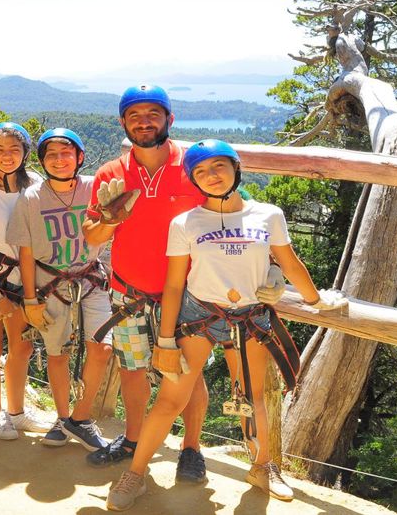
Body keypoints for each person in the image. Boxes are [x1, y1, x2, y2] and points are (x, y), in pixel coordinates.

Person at [106, 139, 348, 510]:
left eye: (218, 167)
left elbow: (289, 262)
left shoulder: (268, 214)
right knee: (171, 399)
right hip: (199, 316)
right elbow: (174, 283)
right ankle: (135, 474)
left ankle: (262, 466)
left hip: (249, 318)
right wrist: (165, 340)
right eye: (200, 171)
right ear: (193, 179)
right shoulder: (185, 222)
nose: (211, 176)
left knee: (252, 398)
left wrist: (316, 300)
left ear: (236, 169)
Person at [83, 84, 285, 479]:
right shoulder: (112, 173)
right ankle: (133, 439)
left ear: (169, 119)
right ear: (123, 122)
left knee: (187, 379)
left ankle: (191, 448)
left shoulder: (194, 167)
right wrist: (108, 220)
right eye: (135, 115)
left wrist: (272, 265)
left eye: (153, 114)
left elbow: (241, 218)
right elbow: (91, 238)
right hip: (130, 291)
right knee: (132, 370)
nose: (144, 122)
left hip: (193, 299)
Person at [5, 128, 114, 452]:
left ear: (80, 157)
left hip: (91, 278)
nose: (59, 160)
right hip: (49, 283)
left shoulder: (96, 188)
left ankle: (79, 419)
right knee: (57, 353)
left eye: (66, 153)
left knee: (102, 349)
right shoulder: (31, 198)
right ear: (42, 161)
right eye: (51, 154)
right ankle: (62, 417)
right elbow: (25, 251)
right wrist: (29, 300)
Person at [0, 122, 53, 439]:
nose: (7, 156)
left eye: (14, 149)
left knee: (22, 347)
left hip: (30, 277)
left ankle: (17, 412)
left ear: (25, 153)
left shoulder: (37, 185)